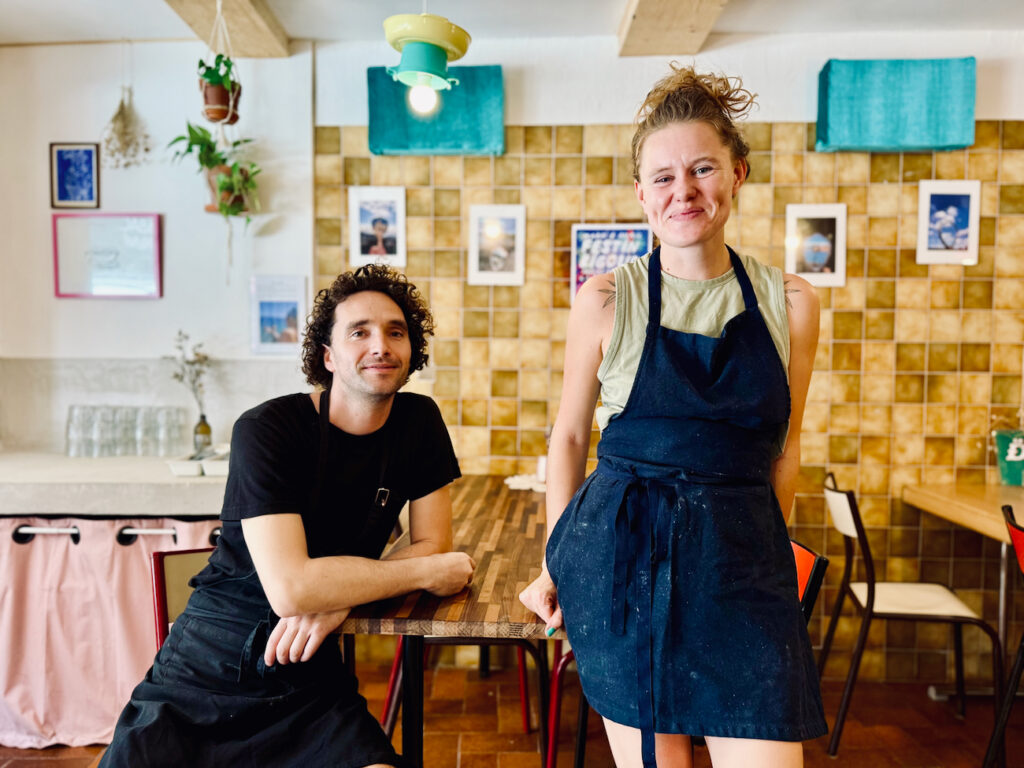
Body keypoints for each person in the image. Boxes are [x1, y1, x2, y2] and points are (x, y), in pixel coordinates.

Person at [519, 64, 825, 768]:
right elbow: (568, 437)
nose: (682, 191)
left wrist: (770, 562)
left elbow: (785, 446)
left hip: (744, 570)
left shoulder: (794, 304)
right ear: (640, 194)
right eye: (662, 177)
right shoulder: (604, 300)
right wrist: (554, 564)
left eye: (702, 169)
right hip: (625, 563)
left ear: (738, 173)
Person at [101, 264, 475, 768]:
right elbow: (293, 589)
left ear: (412, 351)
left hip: (308, 672)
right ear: (327, 355)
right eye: (359, 332)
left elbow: (432, 541)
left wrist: (337, 600)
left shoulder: (419, 422)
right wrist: (423, 572)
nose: (380, 345)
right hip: (208, 667)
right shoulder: (267, 430)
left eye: (395, 331)